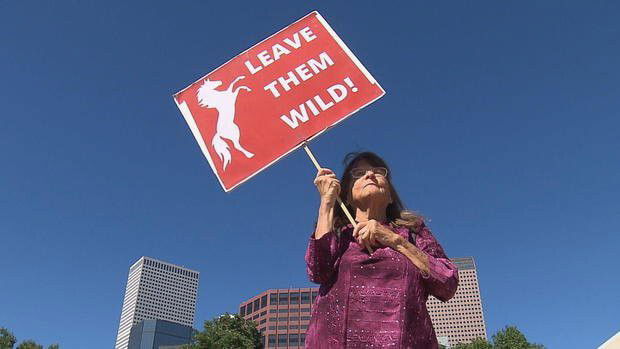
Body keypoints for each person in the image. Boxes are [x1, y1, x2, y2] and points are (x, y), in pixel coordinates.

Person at [304, 152, 459, 348]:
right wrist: (327, 202)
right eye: (359, 173)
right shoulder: (338, 234)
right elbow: (317, 270)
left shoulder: (412, 231)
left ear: (390, 195)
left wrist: (393, 239)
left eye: (378, 171)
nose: (370, 174)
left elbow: (448, 282)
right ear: (348, 196)